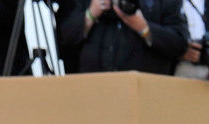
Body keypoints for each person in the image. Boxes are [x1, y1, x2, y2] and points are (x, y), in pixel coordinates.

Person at [59, 0, 187, 76]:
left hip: (144, 92)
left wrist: (143, 27)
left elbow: (179, 43)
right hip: (94, 90)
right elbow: (64, 38)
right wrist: (91, 14)